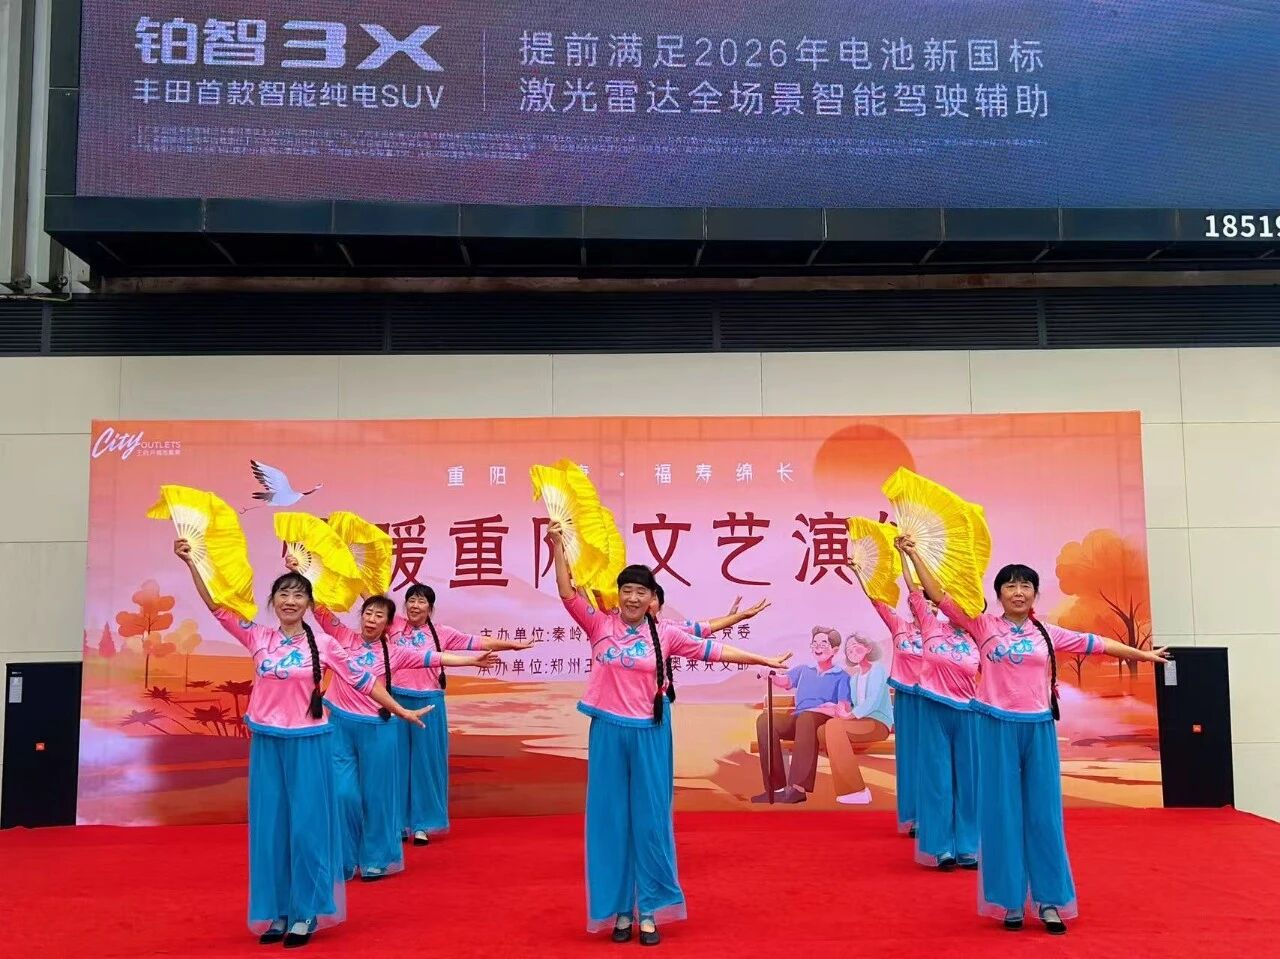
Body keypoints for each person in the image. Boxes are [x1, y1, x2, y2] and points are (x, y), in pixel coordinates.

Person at [902, 539, 1170, 935]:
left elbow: (1097, 644)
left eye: (1025, 585)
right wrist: (913, 554)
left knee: (1044, 816)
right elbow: (938, 595)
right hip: (995, 728)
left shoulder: (1047, 633)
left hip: (1039, 728)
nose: (1018, 592)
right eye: (1010, 585)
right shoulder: (982, 626)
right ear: (998, 595)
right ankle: (1008, 901)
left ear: (1035, 594)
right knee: (1001, 813)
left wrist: (1144, 655)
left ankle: (1049, 902)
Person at [174, 539, 432, 948]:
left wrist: (401, 711)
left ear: (309, 604)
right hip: (267, 744)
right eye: (284, 594)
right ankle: (278, 910)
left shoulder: (326, 645)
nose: (290, 601)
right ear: (273, 602)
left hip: (309, 745)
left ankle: (306, 910)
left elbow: (365, 681)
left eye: (298, 595)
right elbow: (217, 607)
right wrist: (192, 563)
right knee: (271, 829)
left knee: (307, 827)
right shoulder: (258, 637)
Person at [547, 522, 791, 946]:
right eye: (627, 590)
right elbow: (568, 592)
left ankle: (650, 910)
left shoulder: (667, 634)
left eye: (641, 592)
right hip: (607, 733)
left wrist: (763, 659)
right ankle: (620, 911)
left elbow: (716, 650)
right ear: (617, 594)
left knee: (651, 823)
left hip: (650, 736)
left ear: (653, 600)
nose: (633, 597)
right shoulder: (599, 625)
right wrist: (556, 546)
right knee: (609, 822)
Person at [309, 595, 498, 882]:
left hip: (378, 729)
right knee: (343, 793)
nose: (372, 619)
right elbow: (318, 608)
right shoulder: (342, 637)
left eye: (379, 616)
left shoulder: (395, 653)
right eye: (368, 613)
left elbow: (434, 657)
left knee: (377, 796)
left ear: (388, 624)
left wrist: (471, 660)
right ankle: (344, 859)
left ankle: (376, 859)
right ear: (361, 615)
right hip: (341, 726)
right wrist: (298, 574)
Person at [388, 584, 533, 846]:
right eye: (411, 600)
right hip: (397, 701)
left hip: (429, 703)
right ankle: (398, 823)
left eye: (421, 601)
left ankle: (423, 824)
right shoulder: (394, 625)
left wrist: (512, 646)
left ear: (430, 608)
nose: (414, 606)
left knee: (426, 764)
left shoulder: (442, 633)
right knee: (396, 762)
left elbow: (477, 642)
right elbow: (370, 598)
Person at [897, 538, 979, 870]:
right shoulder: (931, 624)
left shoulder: (980, 635)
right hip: (934, 710)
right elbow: (915, 588)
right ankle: (942, 847)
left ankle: (968, 846)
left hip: (969, 713)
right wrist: (909, 554)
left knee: (968, 782)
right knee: (938, 780)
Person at [850, 557, 924, 835]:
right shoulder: (900, 626)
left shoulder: (945, 633)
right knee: (910, 757)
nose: (924, 606)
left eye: (930, 601)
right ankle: (915, 817)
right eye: (918, 601)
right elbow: (877, 600)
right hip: (907, 700)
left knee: (936, 758)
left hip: (937, 700)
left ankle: (941, 814)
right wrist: (861, 573)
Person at [752, 626, 852, 804]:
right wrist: (771, 674)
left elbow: (842, 708)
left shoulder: (842, 676)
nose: (818, 647)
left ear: (835, 650)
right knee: (766, 720)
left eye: (823, 643)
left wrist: (822, 709)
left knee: (806, 719)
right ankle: (776, 789)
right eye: (815, 643)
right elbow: (785, 681)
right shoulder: (805, 669)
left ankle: (798, 789)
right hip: (800, 720)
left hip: (821, 722)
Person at [817, 632, 893, 805]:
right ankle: (846, 773)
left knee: (834, 726)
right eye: (848, 649)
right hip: (861, 723)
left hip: (878, 723)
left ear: (868, 648)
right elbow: (854, 705)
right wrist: (837, 708)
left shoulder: (878, 670)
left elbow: (872, 701)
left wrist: (849, 715)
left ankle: (855, 790)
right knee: (822, 731)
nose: (851, 651)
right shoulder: (855, 679)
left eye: (855, 646)